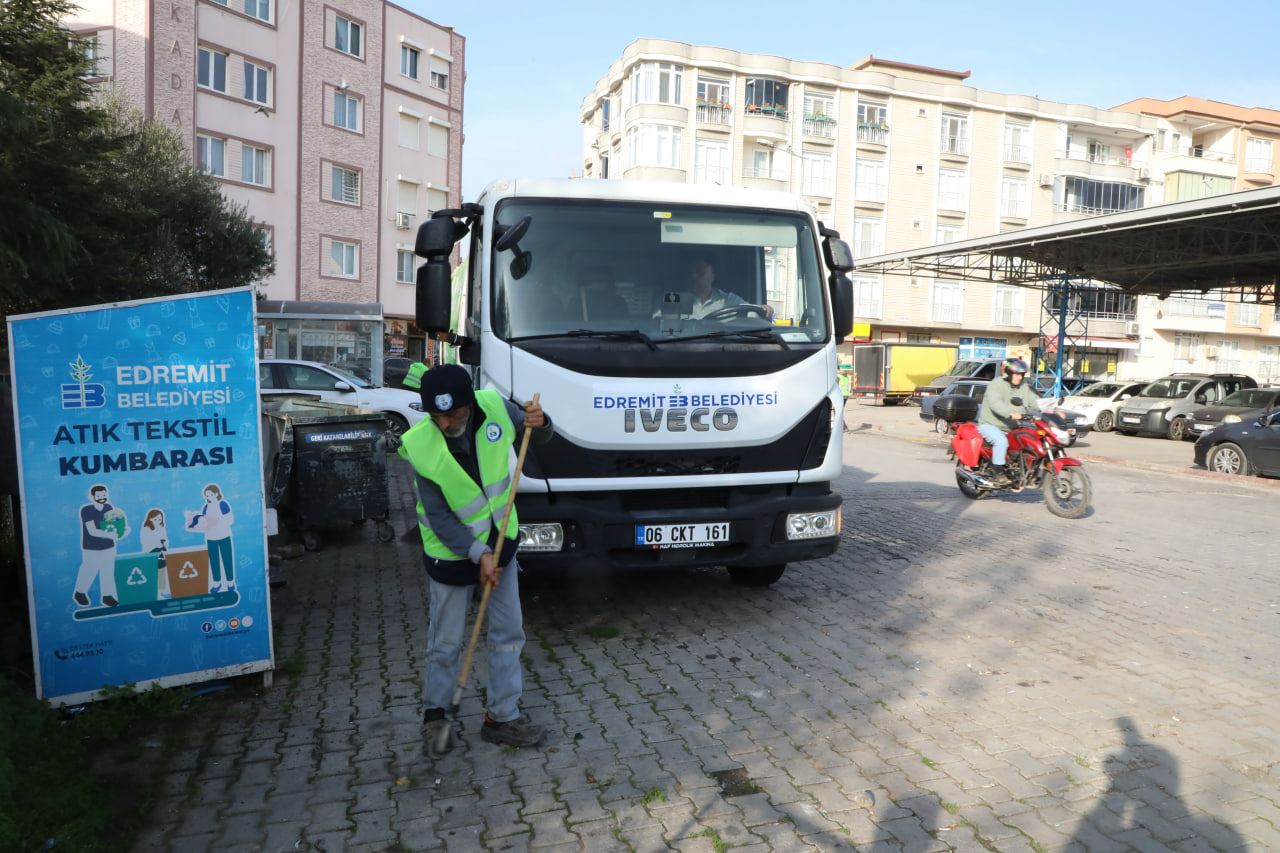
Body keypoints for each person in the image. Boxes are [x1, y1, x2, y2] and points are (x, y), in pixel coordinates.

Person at [399, 364, 554, 751]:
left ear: (469, 404)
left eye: (453, 414)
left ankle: (502, 716)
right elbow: (438, 517)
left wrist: (542, 421)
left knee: (508, 633)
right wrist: (477, 553)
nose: (445, 423)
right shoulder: (421, 445)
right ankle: (436, 716)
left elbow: (536, 432)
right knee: (446, 642)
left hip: (502, 545)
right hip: (451, 557)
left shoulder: (496, 407)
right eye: (437, 416)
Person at [976, 357, 1041, 485]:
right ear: (1008, 373)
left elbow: (1035, 401)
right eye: (1016, 374)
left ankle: (1027, 471)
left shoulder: (1023, 387)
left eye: (1021, 374)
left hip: (1012, 427)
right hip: (991, 425)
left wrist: (1052, 409)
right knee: (1001, 441)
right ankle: (997, 473)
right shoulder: (996, 385)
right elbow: (995, 403)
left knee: (1031, 439)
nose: (1019, 377)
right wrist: (1010, 413)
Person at [672, 255, 775, 320]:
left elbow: (751, 312)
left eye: (700, 272)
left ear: (712, 276)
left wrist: (765, 309)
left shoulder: (727, 300)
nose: (693, 276)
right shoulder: (674, 299)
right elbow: (666, 330)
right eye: (690, 272)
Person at [74, 483, 128, 607]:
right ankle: (80, 592)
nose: (102, 497)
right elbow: (92, 530)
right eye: (98, 495)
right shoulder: (86, 510)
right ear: (92, 496)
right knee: (89, 569)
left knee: (108, 571)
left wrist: (122, 531)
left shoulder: (109, 507)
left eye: (104, 494)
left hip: (108, 546)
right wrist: (110, 535)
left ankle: (107, 596)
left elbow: (114, 525)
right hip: (91, 547)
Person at [187, 483, 235, 593]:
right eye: (207, 496)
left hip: (224, 536)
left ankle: (230, 582)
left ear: (217, 493)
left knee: (227, 559)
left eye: (211, 495)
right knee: (214, 560)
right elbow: (202, 520)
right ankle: (217, 582)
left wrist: (217, 521)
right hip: (211, 537)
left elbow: (230, 519)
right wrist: (191, 515)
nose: (209, 497)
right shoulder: (206, 507)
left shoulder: (223, 504)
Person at [140, 508, 171, 599]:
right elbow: (145, 542)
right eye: (155, 519)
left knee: (162, 571)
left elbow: (165, 539)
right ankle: (154, 592)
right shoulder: (146, 529)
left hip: (161, 552)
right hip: (150, 553)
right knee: (152, 572)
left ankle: (163, 590)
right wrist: (157, 544)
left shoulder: (161, 528)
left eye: (160, 519)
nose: (158, 521)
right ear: (150, 519)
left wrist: (164, 544)